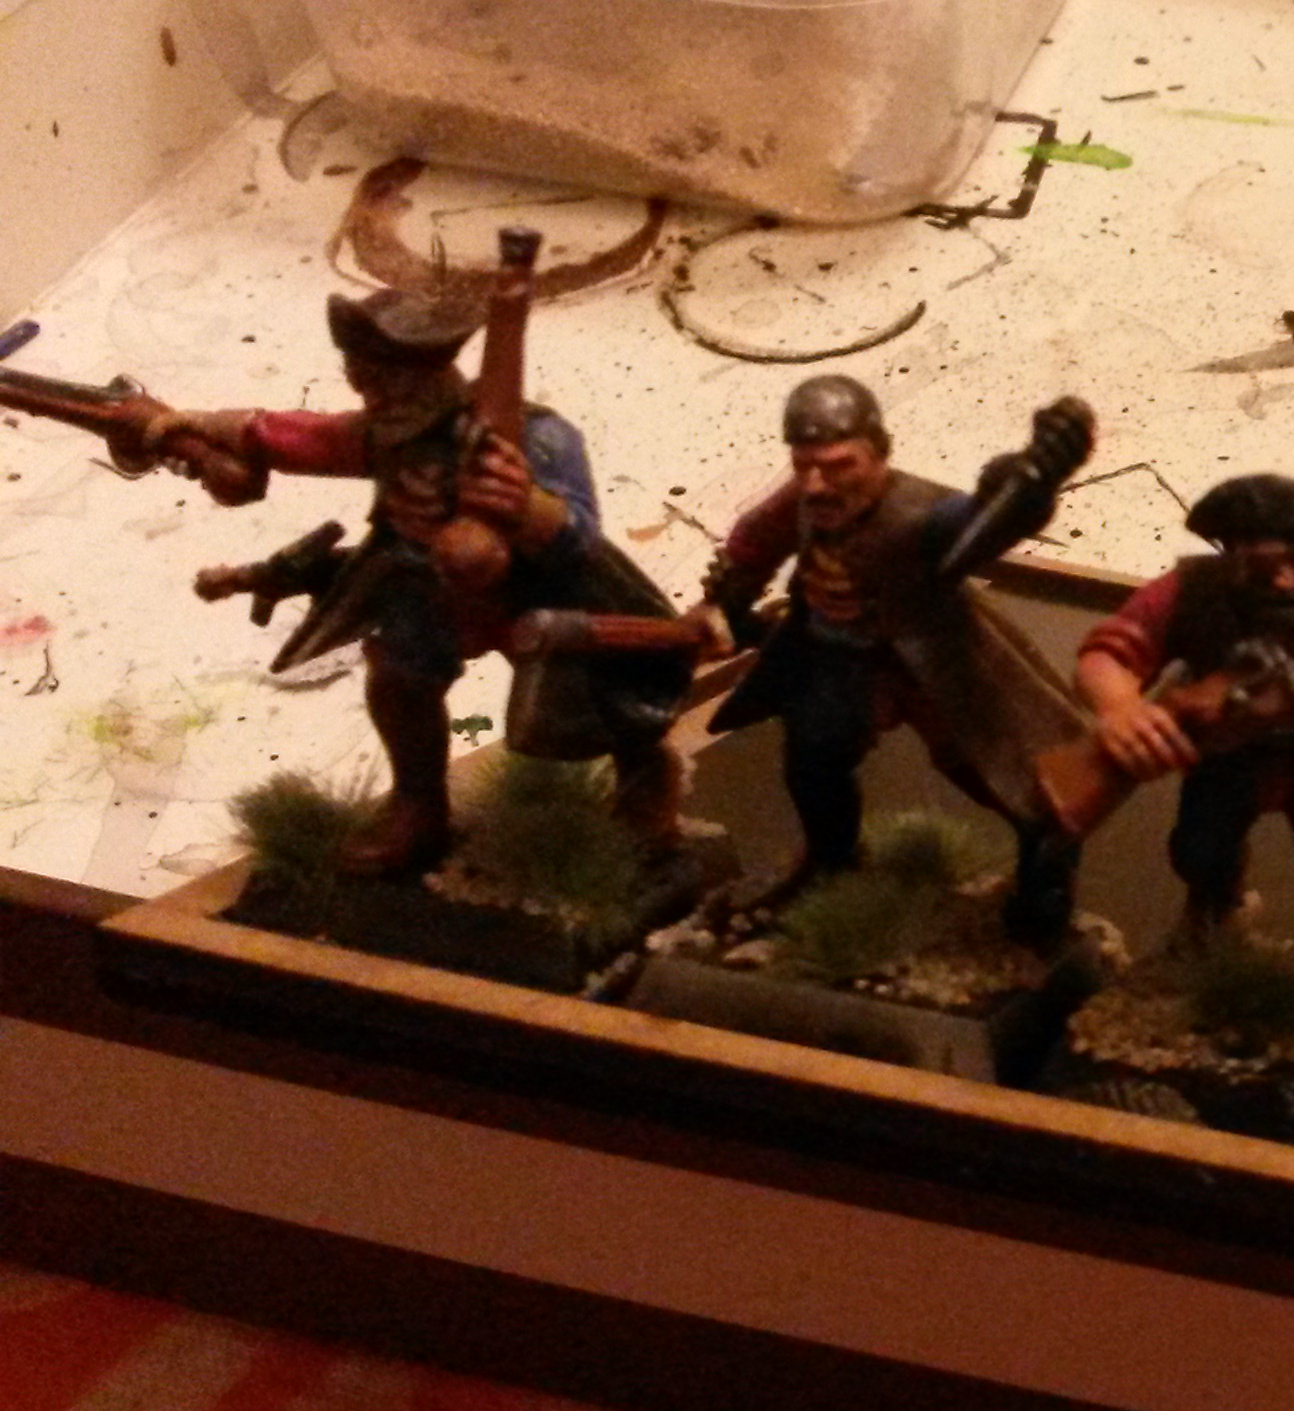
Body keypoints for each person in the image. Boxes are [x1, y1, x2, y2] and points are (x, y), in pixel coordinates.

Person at [141, 287, 687, 875]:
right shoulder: (387, 431)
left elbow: (579, 535)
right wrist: (200, 424)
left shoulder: (540, 437)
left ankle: (644, 777)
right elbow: (304, 438)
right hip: (429, 590)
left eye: (383, 380)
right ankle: (418, 807)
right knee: (399, 684)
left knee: (603, 694)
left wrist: (529, 508)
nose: (369, 395)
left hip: (537, 589)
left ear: (425, 373)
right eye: (361, 379)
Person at [691, 377, 1095, 945]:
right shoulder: (805, 498)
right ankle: (831, 863)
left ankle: (1043, 890)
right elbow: (755, 542)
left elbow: (985, 518)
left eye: (839, 466)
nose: (817, 483)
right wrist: (722, 603)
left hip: (932, 660)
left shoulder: (919, 512)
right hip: (835, 655)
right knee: (813, 762)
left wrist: (1030, 482)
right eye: (804, 465)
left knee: (1007, 779)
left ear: (878, 454)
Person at [1076, 474, 1294, 1068]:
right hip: (1224, 756)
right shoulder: (1190, 588)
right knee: (1199, 852)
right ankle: (1213, 918)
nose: (1285, 580)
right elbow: (1109, 651)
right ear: (1230, 552)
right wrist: (1120, 708)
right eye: (1266, 566)